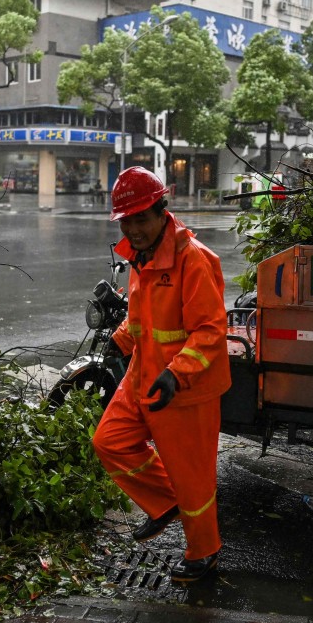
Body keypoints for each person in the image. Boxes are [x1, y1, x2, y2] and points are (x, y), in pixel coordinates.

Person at [92, 166, 231, 584]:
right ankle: (165, 501)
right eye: (126, 221)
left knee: (193, 476)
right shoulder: (141, 256)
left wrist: (177, 373)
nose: (133, 229)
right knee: (109, 442)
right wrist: (120, 340)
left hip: (185, 389)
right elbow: (142, 318)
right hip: (144, 375)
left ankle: (204, 552)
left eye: (140, 219)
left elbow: (210, 329)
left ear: (161, 211)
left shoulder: (193, 259)